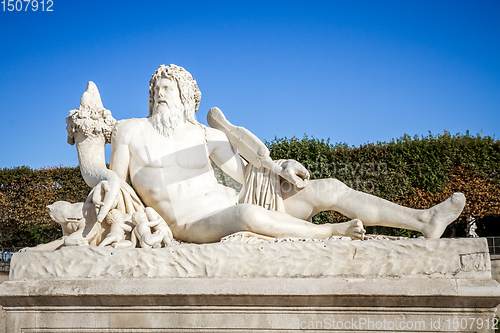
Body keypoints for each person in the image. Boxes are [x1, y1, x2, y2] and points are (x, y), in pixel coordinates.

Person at [105, 64, 465, 244]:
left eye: (169, 87)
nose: (160, 92)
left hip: (234, 199)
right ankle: (330, 234)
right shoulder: (130, 130)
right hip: (190, 224)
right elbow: (113, 184)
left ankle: (424, 220)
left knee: (329, 188)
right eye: (156, 88)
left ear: (185, 97)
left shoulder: (204, 134)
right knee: (247, 213)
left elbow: (248, 174)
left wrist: (279, 168)